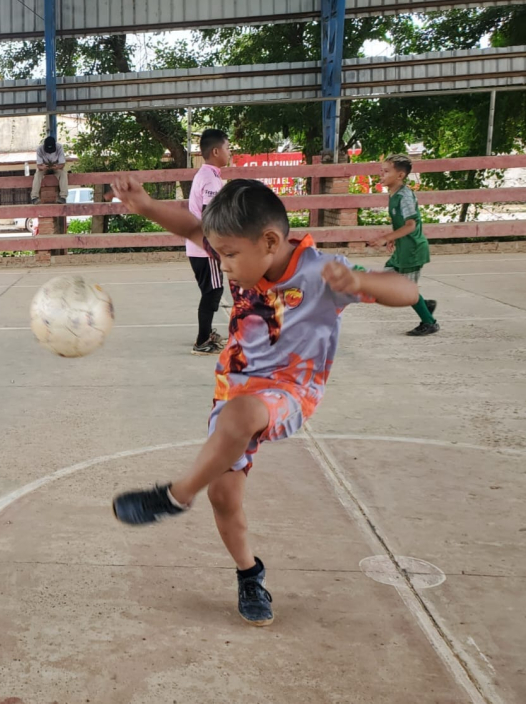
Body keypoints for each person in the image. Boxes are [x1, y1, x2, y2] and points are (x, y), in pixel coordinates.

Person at [109, 177, 418, 627]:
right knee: (224, 495)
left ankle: (176, 496)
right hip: (235, 382)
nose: (224, 265)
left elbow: (406, 291)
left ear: (270, 241)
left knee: (243, 415)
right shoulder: (243, 256)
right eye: (220, 254)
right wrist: (146, 205)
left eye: (229, 255)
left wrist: (360, 279)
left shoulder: (321, 272)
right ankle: (250, 573)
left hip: (291, 390)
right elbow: (192, 229)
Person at [368, 154, 438, 336]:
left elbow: (411, 225)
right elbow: (401, 223)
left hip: (413, 250)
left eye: (385, 171)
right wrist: (394, 238)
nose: (381, 175)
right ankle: (424, 304)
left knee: (406, 291)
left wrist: (386, 237)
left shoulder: (405, 196)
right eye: (381, 171)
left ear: (400, 175)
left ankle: (429, 323)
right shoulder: (394, 194)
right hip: (403, 249)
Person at [187, 129, 231, 355]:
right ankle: (202, 340)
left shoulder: (205, 174)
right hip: (205, 247)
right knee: (213, 291)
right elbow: (209, 215)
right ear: (216, 151)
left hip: (197, 246)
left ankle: (206, 333)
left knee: (211, 290)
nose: (229, 152)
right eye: (227, 147)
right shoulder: (211, 179)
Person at [31, 136, 68, 204]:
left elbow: (62, 164)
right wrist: (43, 167)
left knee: (63, 174)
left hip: (56, 165)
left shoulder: (59, 147)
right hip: (44, 165)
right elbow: (39, 166)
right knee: (37, 175)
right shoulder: (40, 149)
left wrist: (57, 167)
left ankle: (63, 197)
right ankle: (34, 197)